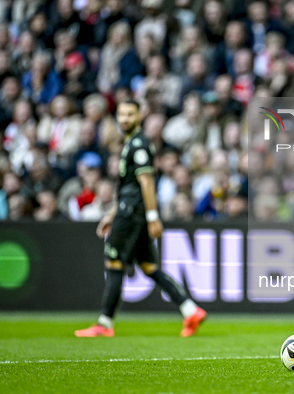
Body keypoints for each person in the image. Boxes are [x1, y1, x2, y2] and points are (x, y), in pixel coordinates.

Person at [74, 99, 206, 338]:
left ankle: (104, 323)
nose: (124, 119)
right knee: (150, 267)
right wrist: (111, 214)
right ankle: (190, 309)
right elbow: (130, 185)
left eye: (129, 114)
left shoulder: (139, 145)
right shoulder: (131, 143)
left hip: (132, 214)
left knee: (114, 264)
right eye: (121, 114)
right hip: (129, 211)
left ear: (139, 116)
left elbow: (146, 183)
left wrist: (153, 216)